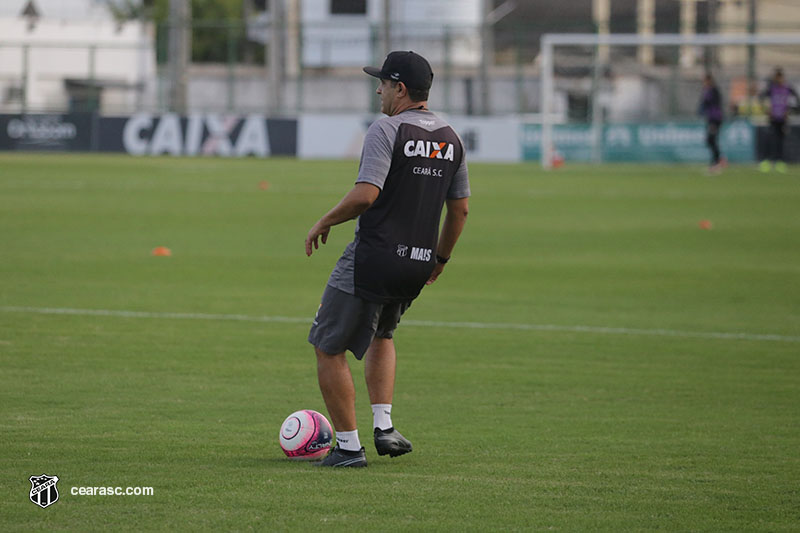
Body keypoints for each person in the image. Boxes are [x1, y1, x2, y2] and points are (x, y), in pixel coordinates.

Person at [304, 51, 470, 468]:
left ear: (400, 88)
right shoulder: (451, 136)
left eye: (382, 83)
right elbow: (461, 208)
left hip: (374, 256)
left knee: (327, 345)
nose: (378, 90)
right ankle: (384, 425)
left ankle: (347, 448)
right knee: (383, 335)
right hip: (416, 263)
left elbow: (366, 194)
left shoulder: (387, 128)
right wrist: (441, 259)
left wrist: (324, 220)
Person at [760, 68, 799, 173]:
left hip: (783, 119)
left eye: (780, 77)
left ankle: (780, 162)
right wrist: (766, 109)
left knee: (780, 141)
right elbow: (761, 98)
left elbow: (796, 100)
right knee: (771, 140)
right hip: (772, 118)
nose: (779, 79)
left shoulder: (787, 88)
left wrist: (789, 110)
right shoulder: (771, 88)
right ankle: (767, 161)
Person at [698, 74, 726, 174]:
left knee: (712, 139)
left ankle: (716, 162)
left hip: (715, 119)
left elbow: (714, 105)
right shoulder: (707, 91)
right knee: (710, 140)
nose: (704, 83)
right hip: (711, 119)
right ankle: (718, 160)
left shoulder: (713, 91)